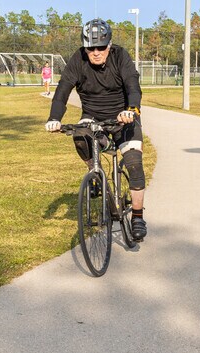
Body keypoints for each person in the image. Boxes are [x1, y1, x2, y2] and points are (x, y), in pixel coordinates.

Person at [45, 18, 147, 241]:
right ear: (85, 47)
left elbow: (132, 85)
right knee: (79, 136)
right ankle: (95, 173)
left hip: (123, 117)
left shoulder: (121, 56)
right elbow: (62, 91)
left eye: (101, 47)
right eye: (91, 48)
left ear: (109, 45)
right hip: (92, 117)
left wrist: (131, 109)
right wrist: (54, 118)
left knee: (134, 163)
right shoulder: (77, 60)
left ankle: (137, 216)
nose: (96, 52)